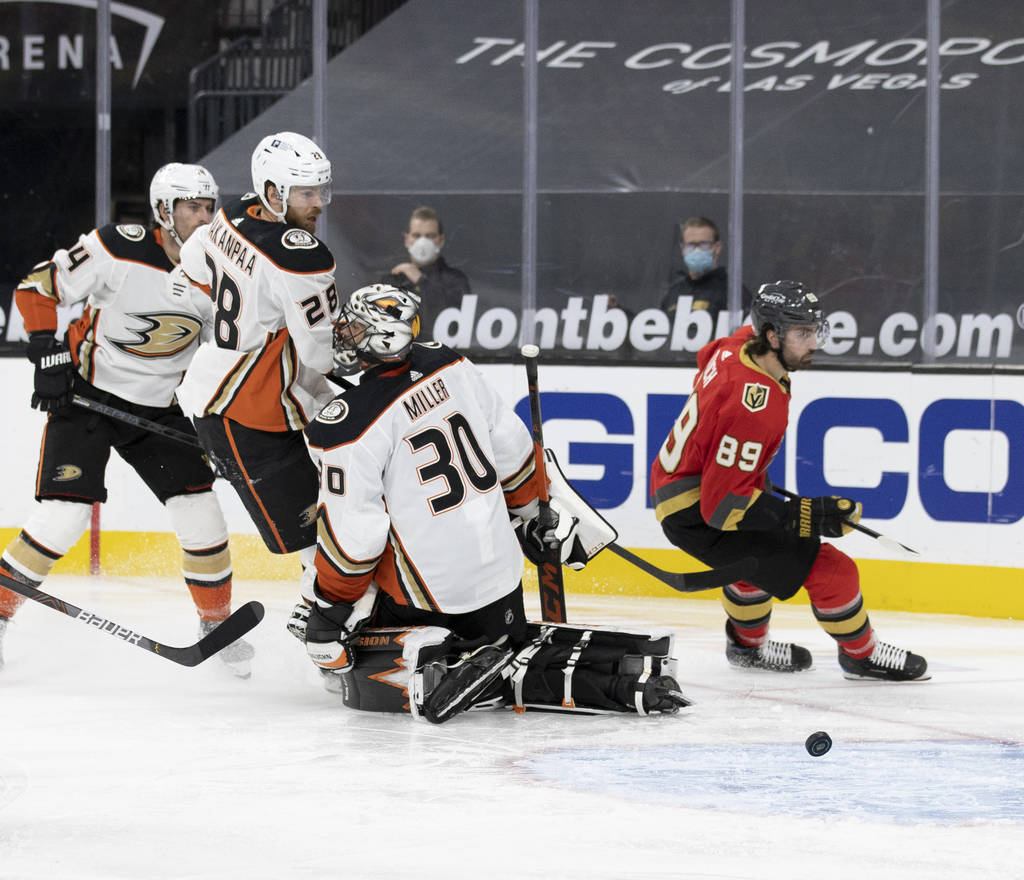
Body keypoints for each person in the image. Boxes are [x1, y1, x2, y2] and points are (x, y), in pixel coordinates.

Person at [294, 283, 690, 722]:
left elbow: (356, 539)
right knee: (486, 616)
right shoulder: (451, 363)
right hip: (503, 587)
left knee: (327, 585)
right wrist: (528, 520)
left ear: (381, 337)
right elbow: (515, 450)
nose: (344, 332)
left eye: (355, 326)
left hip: (432, 604)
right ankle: (571, 669)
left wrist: (328, 612)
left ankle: (430, 658)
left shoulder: (346, 426)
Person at [0, 163, 253, 676]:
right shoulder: (118, 247)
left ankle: (215, 625)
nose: (204, 218)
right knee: (63, 517)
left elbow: (224, 361)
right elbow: (35, 288)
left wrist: (220, 425)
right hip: (87, 400)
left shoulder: (224, 275)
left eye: (210, 207)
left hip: (161, 409)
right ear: (165, 211)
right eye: (192, 208)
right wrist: (46, 349)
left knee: (201, 513)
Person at [649, 280, 929, 681]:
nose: (814, 342)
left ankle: (746, 648)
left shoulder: (737, 347)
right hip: (698, 512)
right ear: (771, 335)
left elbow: (706, 355)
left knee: (752, 566)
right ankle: (861, 655)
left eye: (815, 330)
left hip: (677, 483)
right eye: (802, 333)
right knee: (835, 571)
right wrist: (805, 515)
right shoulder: (752, 406)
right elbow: (723, 507)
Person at [176, 131, 338, 605]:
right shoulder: (301, 257)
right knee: (324, 544)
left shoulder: (232, 215)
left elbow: (192, 262)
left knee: (342, 524)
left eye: (321, 190)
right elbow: (322, 356)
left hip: (252, 402)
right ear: (273, 193)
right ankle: (327, 648)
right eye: (306, 193)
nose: (318, 203)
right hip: (248, 417)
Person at [379, 205, 471, 311]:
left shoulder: (456, 281)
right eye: (416, 235)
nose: (422, 242)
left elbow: (450, 320)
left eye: (430, 236)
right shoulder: (393, 282)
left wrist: (420, 280)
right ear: (407, 239)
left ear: (441, 240)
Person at [660, 216, 751, 321]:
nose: (697, 250)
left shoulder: (732, 293)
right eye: (691, 245)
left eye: (704, 244)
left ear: (717, 247)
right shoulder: (673, 293)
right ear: (683, 249)